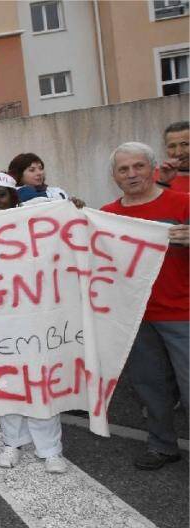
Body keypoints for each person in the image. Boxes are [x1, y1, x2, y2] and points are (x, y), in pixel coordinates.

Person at [101, 142, 189, 470]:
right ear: (114, 176)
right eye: (123, 169)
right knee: (149, 386)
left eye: (138, 166)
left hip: (183, 313)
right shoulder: (107, 215)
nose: (131, 174)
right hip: (135, 317)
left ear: (153, 169)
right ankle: (163, 445)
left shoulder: (182, 203)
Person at [0, 171, 68, 474]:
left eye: (1, 194)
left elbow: (65, 227)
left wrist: (74, 210)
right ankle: (11, 443)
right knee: (7, 383)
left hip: (34, 320)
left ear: (13, 196)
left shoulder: (36, 219)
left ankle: (50, 449)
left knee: (40, 382)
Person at [7, 153, 83, 207]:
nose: (39, 173)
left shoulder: (57, 192)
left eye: (40, 168)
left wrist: (75, 205)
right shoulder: (11, 195)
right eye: (32, 170)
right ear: (18, 175)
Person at [155, 121, 189, 194]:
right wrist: (162, 183)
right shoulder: (151, 177)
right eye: (172, 146)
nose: (178, 153)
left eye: (185, 144)